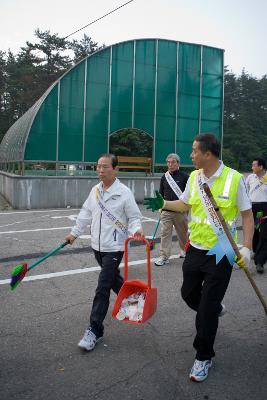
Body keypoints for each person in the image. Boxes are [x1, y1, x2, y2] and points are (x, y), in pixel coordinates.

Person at [144, 133, 254, 382]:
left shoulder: (235, 179)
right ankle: (214, 308)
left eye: (194, 151)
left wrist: (246, 248)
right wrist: (163, 203)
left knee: (204, 312)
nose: (191, 155)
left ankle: (203, 356)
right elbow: (184, 205)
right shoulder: (194, 177)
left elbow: (247, 216)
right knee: (188, 294)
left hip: (221, 251)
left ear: (208, 154)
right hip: (196, 249)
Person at [65, 154, 143, 352]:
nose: (100, 170)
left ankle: (95, 329)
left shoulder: (124, 193)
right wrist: (74, 233)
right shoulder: (95, 190)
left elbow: (134, 217)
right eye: (98, 166)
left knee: (102, 286)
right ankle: (134, 304)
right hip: (97, 246)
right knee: (113, 280)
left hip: (115, 247)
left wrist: (136, 230)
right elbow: (85, 213)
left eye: (105, 167)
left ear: (115, 169)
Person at [155, 153, 189, 266]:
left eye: (173, 162)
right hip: (166, 211)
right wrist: (160, 207)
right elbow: (161, 193)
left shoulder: (185, 176)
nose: (170, 164)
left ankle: (185, 251)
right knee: (165, 234)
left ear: (178, 163)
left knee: (183, 234)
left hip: (180, 211)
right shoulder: (164, 177)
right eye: (168, 162)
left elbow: (189, 195)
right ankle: (164, 256)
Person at [246, 158, 267, 273]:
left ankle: (260, 262)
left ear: (261, 167)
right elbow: (244, 190)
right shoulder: (250, 177)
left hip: (263, 209)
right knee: (256, 230)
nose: (252, 167)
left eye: (254, 165)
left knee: (264, 234)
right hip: (252, 208)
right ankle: (256, 251)